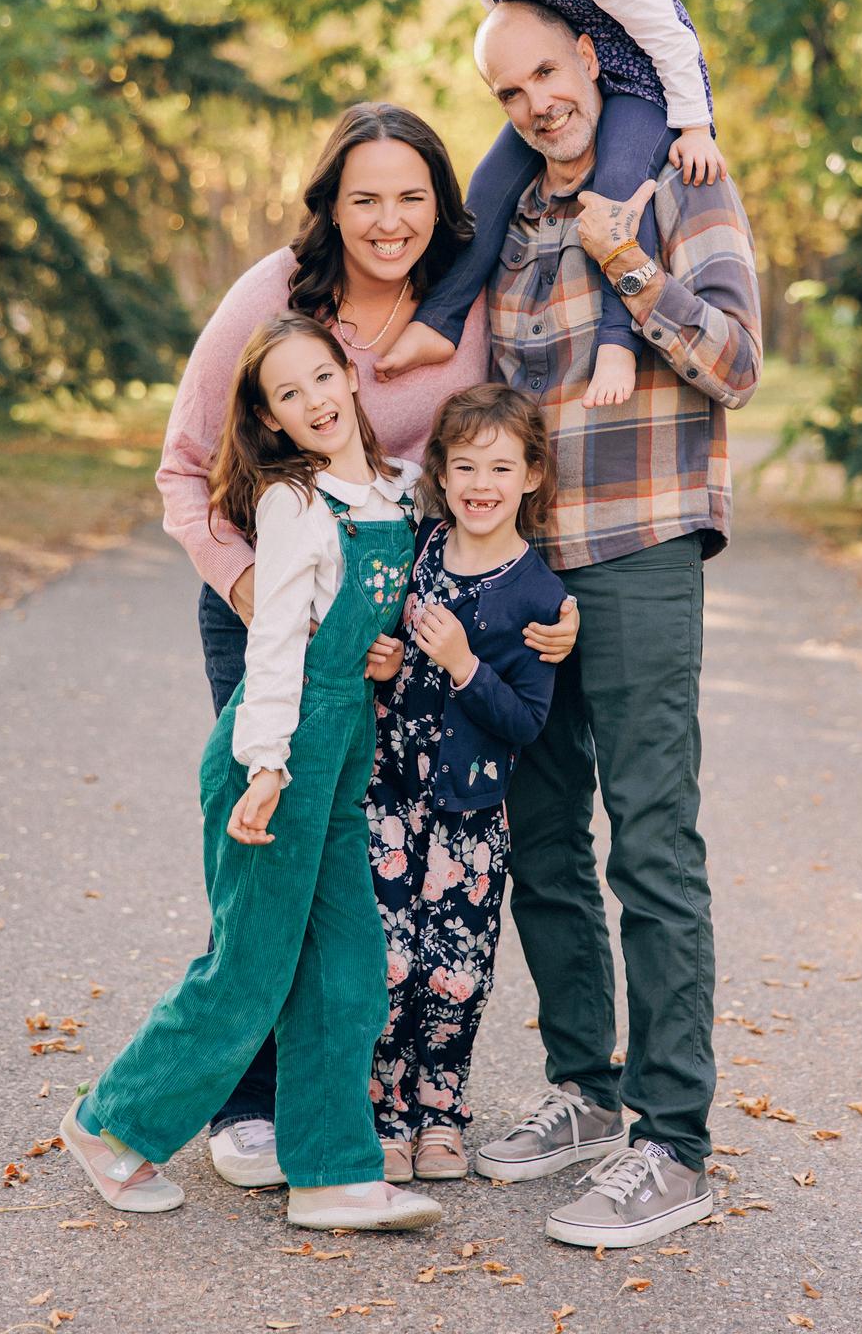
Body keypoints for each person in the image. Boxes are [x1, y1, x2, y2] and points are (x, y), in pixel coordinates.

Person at [156, 102, 579, 1189]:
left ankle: (348, 1099)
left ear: (441, 205)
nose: (388, 220)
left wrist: (540, 599)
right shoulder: (274, 299)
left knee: (366, 874)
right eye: (363, 198)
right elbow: (184, 467)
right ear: (329, 206)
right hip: (275, 606)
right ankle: (245, 1102)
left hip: (408, 621)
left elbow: (497, 461)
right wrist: (258, 593)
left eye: (409, 196)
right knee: (276, 843)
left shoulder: (466, 306)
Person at [466, 0, 763, 1251]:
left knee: (647, 836)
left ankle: (674, 1141)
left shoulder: (685, 181)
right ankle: (586, 1090)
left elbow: (735, 360)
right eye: (509, 90)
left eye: (550, 70)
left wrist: (626, 263)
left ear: (593, 57)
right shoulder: (514, 215)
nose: (538, 100)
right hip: (529, 563)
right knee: (542, 834)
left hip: (640, 543)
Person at [60, 314, 441, 1232]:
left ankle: (331, 1172)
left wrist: (377, 657)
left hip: (340, 758)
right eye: (288, 394)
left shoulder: (394, 490)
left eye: (321, 379)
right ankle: (109, 1126)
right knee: (251, 968)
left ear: (351, 379)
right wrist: (265, 768)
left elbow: (353, 624)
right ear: (270, 419)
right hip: (273, 758)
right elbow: (273, 645)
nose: (312, 401)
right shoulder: (293, 504)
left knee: (348, 968)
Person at [379, 0, 727, 408]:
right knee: (487, 184)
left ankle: (619, 338)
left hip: (642, 87)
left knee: (616, 186)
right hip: (567, 90)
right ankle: (439, 321)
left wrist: (695, 127)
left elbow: (672, 36)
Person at [367, 384, 566, 1182]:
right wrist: (384, 666)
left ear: (529, 477)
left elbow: (525, 720)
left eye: (500, 466)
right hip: (388, 796)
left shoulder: (536, 594)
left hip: (469, 816)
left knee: (455, 968)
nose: (481, 482)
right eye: (464, 466)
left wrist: (462, 666)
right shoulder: (419, 550)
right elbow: (385, 654)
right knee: (386, 959)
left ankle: (441, 1114)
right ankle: (383, 1113)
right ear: (441, 476)